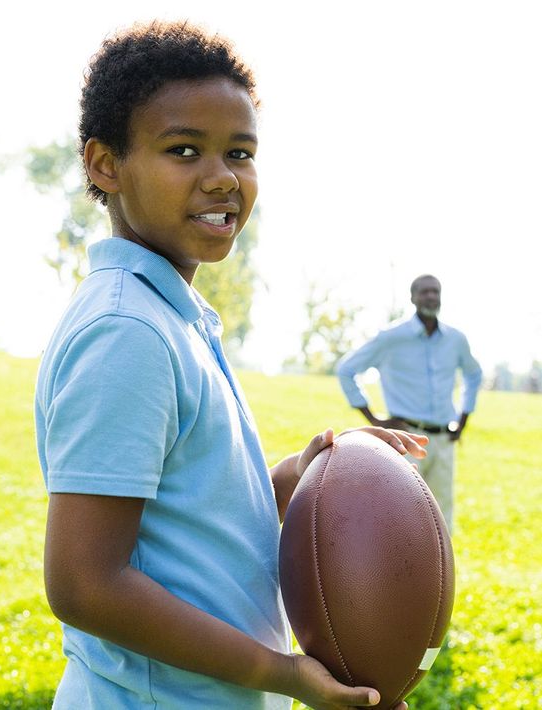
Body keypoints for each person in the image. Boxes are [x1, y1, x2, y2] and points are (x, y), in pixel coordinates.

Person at [35, 21, 426, 710]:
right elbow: (84, 583)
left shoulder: (169, 316)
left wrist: (299, 476)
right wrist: (280, 673)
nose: (221, 179)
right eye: (183, 150)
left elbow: (188, 515)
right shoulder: (128, 331)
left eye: (239, 154)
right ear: (104, 165)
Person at [336, 274, 483, 531]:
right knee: (400, 515)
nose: (431, 296)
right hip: (406, 437)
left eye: (435, 291)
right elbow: (346, 370)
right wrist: (374, 419)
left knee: (442, 518)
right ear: (412, 297)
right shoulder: (391, 337)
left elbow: (474, 373)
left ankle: (440, 572)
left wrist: (463, 420)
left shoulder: (455, 339)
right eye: (424, 291)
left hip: (443, 441)